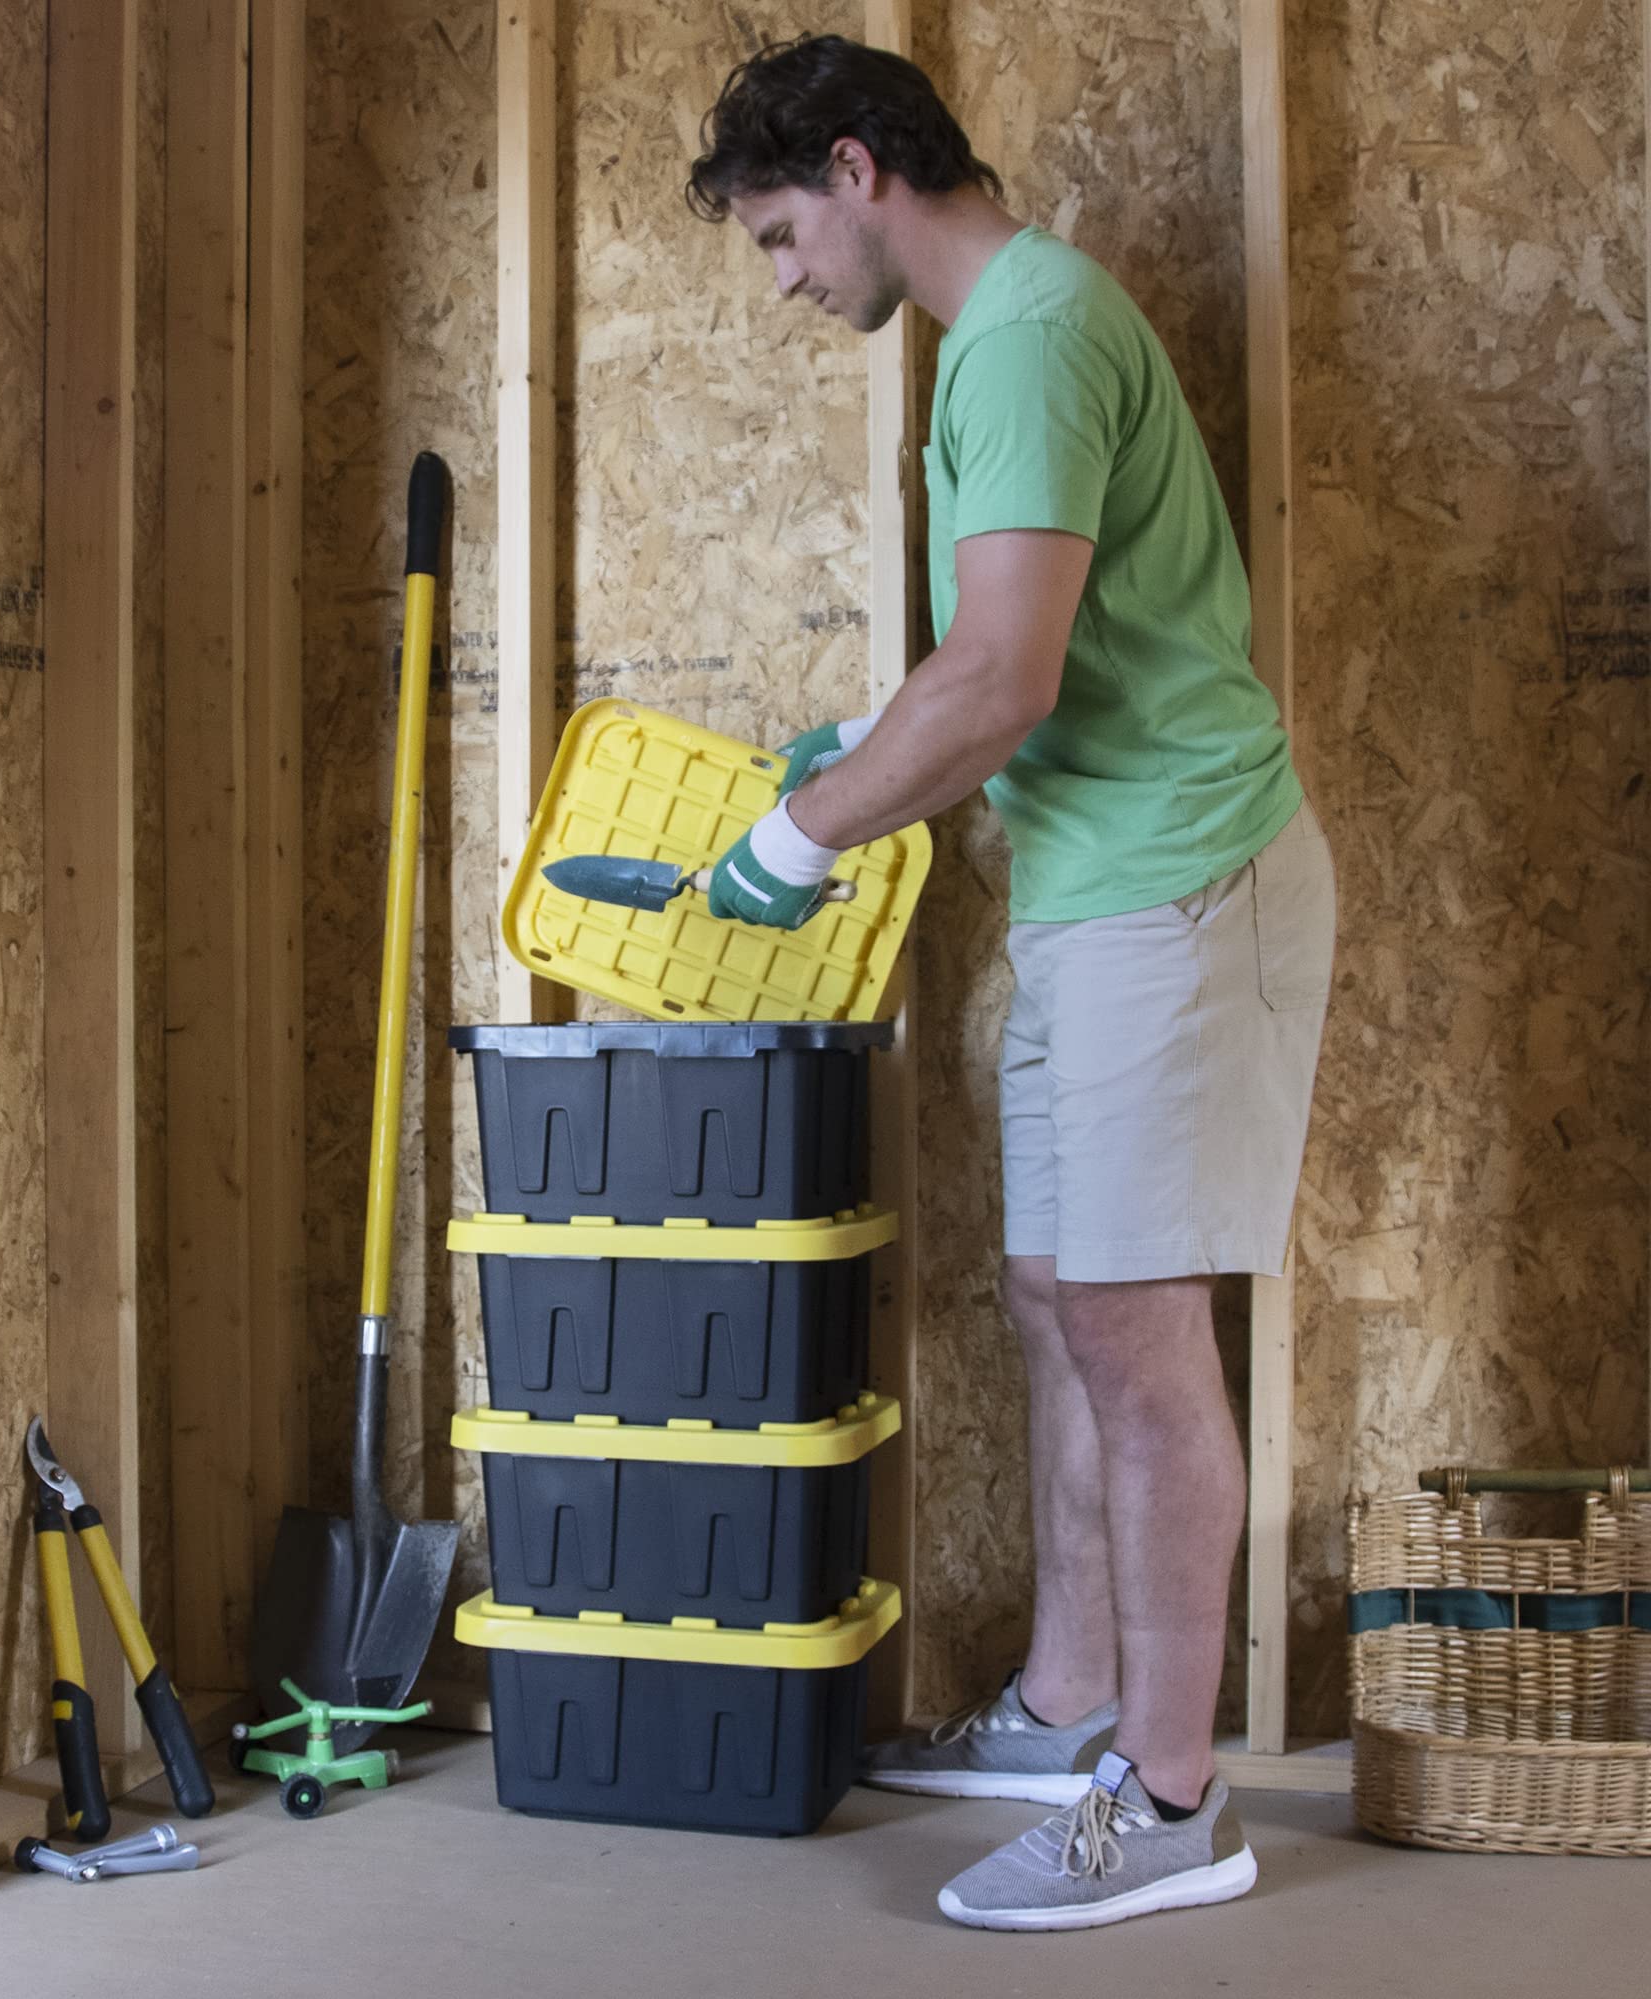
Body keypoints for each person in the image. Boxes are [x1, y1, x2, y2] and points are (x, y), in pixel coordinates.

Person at [685, 35, 1336, 1932]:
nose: (790, 279)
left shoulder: (1031, 333)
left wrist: (801, 834)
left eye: (786, 234)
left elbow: (1005, 682)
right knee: (1066, 1299)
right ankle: (1071, 1712)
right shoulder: (1001, 343)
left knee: (1136, 1337)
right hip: (1092, 886)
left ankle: (1174, 1801)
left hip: (1173, 885)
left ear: (860, 167)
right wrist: (866, 746)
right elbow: (992, 663)